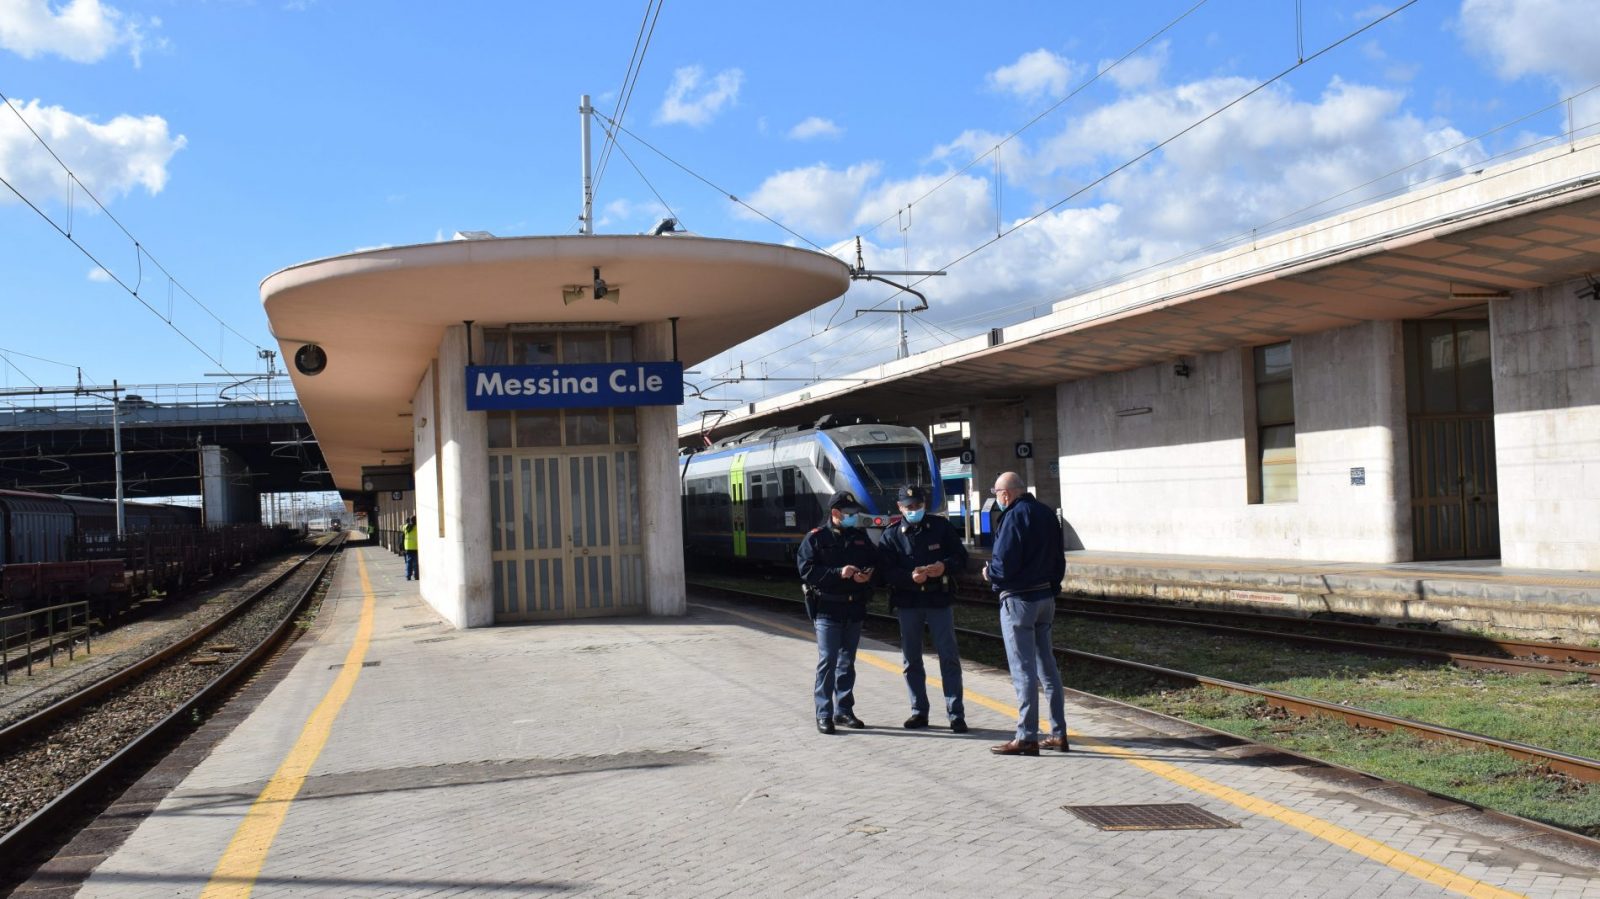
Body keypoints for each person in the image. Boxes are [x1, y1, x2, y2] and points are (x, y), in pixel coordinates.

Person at [982, 472, 1068, 756]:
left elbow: (1003, 565)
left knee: (1023, 670)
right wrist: (1052, 588)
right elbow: (1059, 559)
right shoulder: (1045, 514)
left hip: (1019, 601)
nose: (997, 499)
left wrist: (989, 574)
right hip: (1045, 598)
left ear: (1005, 494)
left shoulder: (1012, 517)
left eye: (996, 494)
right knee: (1048, 667)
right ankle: (1058, 733)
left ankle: (1027, 736)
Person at [877, 484, 969, 732]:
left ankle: (956, 714)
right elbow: (885, 572)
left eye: (918, 506)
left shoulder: (941, 528)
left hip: (939, 600)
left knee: (948, 657)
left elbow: (961, 557)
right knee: (911, 660)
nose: (914, 510)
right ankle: (919, 711)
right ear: (899, 508)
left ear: (924, 505)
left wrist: (944, 566)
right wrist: (909, 578)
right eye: (909, 507)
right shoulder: (892, 535)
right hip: (909, 603)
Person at [796, 490, 879, 734]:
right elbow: (806, 570)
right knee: (828, 661)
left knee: (847, 662)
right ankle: (824, 713)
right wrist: (837, 573)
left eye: (855, 513)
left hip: (854, 607)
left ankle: (844, 710)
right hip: (827, 609)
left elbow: (875, 562)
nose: (854, 517)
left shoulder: (860, 537)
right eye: (850, 514)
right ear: (835, 513)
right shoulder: (815, 538)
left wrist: (868, 575)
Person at [402, 515, 419, 581]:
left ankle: (408, 576)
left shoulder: (405, 527)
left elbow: (402, 527)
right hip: (415, 547)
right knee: (415, 563)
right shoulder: (416, 527)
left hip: (407, 547)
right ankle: (416, 576)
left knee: (408, 563)